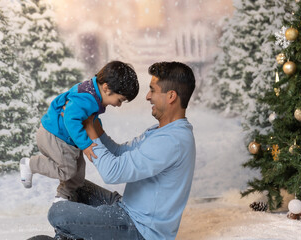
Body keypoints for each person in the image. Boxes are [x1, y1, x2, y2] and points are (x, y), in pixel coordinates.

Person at [48, 61, 196, 240]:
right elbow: (119, 153)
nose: (148, 96)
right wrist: (93, 124)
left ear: (171, 96)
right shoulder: (159, 131)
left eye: (153, 90)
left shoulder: (172, 141)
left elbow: (113, 173)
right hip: (125, 207)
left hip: (140, 229)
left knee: (58, 213)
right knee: (75, 184)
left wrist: (87, 126)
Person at [19, 61, 139, 202]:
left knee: (78, 175)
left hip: (67, 141)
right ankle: (30, 164)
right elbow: (70, 118)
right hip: (55, 136)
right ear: (106, 88)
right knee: (68, 171)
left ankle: (62, 197)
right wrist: (86, 145)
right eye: (120, 100)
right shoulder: (87, 97)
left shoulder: (93, 93)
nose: (118, 105)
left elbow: (89, 118)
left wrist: (95, 135)